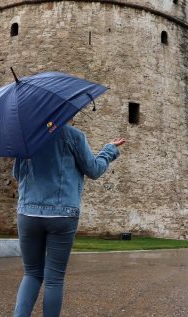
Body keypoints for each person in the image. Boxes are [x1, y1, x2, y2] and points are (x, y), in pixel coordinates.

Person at [11, 123, 125, 317]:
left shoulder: (27, 136)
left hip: (28, 214)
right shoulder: (73, 135)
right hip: (62, 214)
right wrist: (109, 149)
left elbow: (17, 174)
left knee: (31, 274)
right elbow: (94, 170)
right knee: (54, 279)